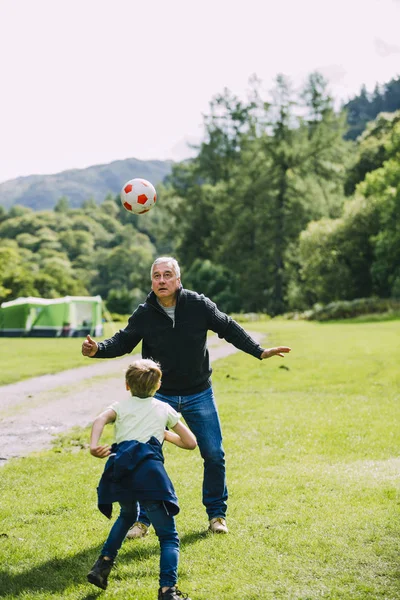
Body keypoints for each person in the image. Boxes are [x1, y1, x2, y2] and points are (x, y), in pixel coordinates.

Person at [82, 256, 291, 536]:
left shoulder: (198, 305)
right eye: (157, 276)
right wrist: (98, 349)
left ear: (178, 280)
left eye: (168, 275)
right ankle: (143, 520)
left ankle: (217, 515)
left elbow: (228, 327)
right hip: (159, 397)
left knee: (214, 454)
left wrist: (259, 350)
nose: (162, 280)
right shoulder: (145, 313)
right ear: (152, 282)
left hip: (198, 393)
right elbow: (123, 340)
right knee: (145, 457)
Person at [87, 358, 196, 600]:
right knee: (168, 537)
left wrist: (94, 446)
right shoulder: (164, 409)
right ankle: (168, 591)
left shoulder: (120, 406)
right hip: (149, 478)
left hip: (121, 473)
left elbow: (99, 420)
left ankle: (102, 567)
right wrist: (166, 435)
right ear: (158, 385)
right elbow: (191, 443)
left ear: (127, 385)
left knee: (127, 515)